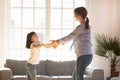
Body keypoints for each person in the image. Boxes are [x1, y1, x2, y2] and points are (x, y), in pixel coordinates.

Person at [50, 7, 93, 80]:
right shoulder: (84, 26)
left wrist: (57, 41)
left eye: (75, 15)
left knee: (79, 76)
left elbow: (70, 36)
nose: (74, 16)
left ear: (79, 15)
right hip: (85, 55)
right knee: (75, 77)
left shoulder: (81, 27)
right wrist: (60, 43)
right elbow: (74, 38)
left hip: (84, 56)